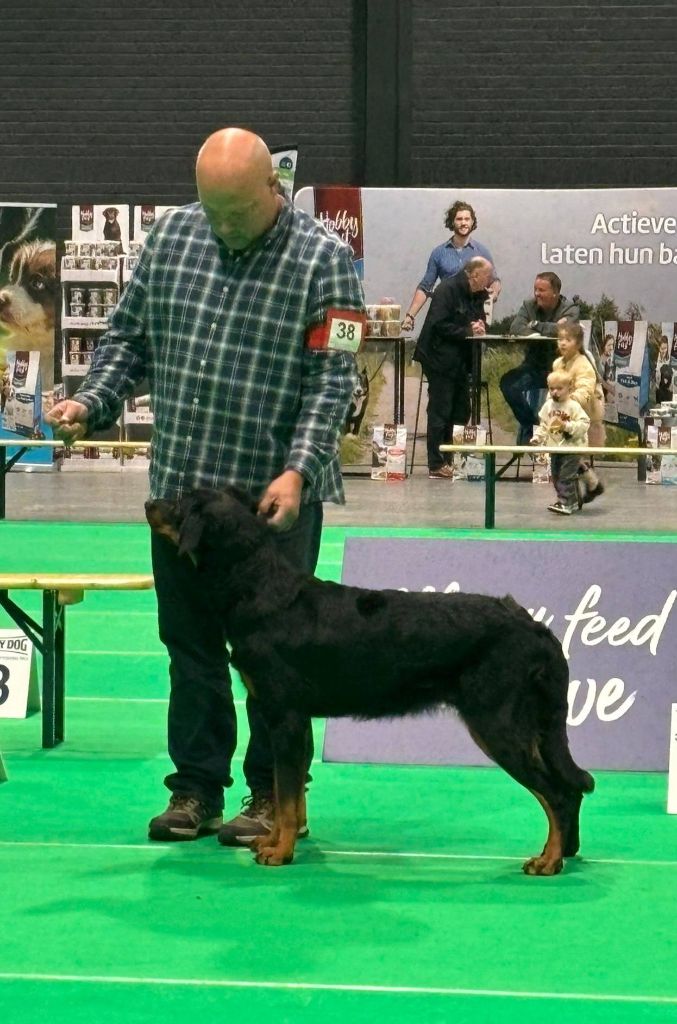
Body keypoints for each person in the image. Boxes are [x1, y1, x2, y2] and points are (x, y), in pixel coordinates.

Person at [46, 127, 364, 847]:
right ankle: (195, 789)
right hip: (184, 498)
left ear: (270, 189)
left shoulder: (326, 261)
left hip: (268, 505)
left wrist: (300, 468)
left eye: (234, 211)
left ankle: (270, 794)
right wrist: (90, 401)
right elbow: (129, 337)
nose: (220, 226)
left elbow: (333, 378)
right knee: (189, 648)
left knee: (275, 662)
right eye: (209, 209)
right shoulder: (173, 239)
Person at [413, 257, 493, 478]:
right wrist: (468, 330)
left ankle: (452, 457)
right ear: (474, 275)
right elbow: (439, 324)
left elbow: (479, 317)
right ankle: (436, 463)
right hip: (438, 357)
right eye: (487, 276)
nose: (490, 281)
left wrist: (479, 325)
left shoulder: (477, 293)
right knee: (440, 409)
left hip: (459, 359)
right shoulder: (446, 289)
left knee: (461, 409)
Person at [500, 272, 579, 443]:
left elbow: (565, 330)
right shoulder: (529, 305)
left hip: (561, 371)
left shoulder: (570, 309)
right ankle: (532, 426)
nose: (537, 294)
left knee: (564, 403)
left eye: (542, 290)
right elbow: (516, 327)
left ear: (555, 293)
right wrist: (547, 329)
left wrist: (535, 325)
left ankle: (561, 447)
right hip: (534, 367)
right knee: (508, 383)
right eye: (535, 289)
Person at [401, 200, 500, 332]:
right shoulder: (439, 252)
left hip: (474, 317)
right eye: (459, 219)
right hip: (448, 317)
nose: (463, 223)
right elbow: (425, 287)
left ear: (472, 222)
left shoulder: (482, 252)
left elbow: (495, 281)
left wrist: (493, 294)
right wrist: (410, 316)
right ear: (452, 222)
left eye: (467, 219)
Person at [552, 320, 605, 503]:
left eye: (568, 339)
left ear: (579, 343)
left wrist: (570, 403)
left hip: (585, 417)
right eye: (560, 339)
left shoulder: (584, 365)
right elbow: (554, 386)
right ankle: (593, 484)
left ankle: (569, 500)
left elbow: (585, 390)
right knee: (567, 457)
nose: (563, 343)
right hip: (564, 418)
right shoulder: (558, 363)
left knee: (569, 458)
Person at [531, 369, 590, 515]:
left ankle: (565, 502)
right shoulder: (548, 406)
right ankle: (574, 500)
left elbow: (584, 423)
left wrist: (567, 426)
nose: (555, 392)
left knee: (565, 476)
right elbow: (544, 424)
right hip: (555, 447)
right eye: (551, 389)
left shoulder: (573, 406)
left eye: (559, 388)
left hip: (573, 447)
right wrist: (538, 437)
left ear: (569, 388)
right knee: (556, 476)